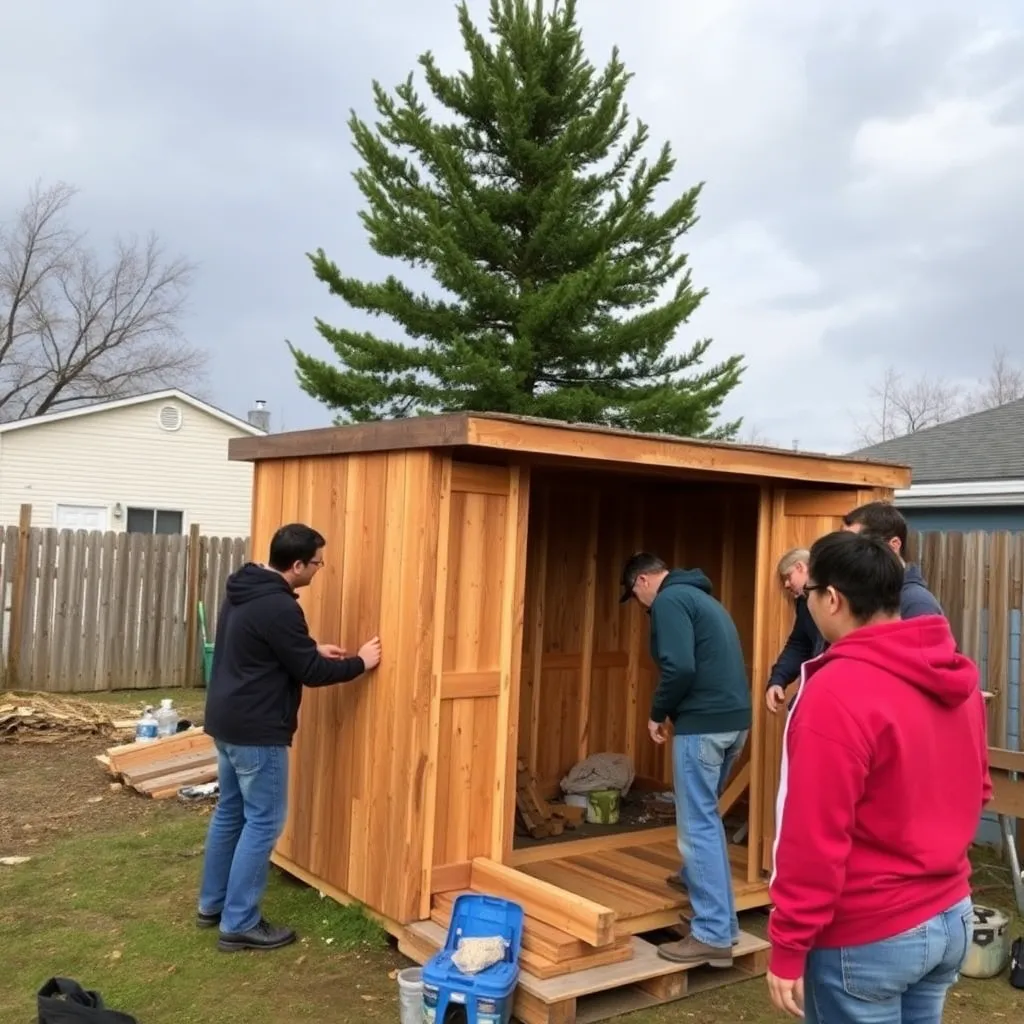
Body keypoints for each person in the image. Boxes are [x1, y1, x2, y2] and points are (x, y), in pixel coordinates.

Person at [766, 531, 990, 1022]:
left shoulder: (834, 692)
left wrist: (788, 943)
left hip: (868, 933)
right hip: (951, 913)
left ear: (831, 599)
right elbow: (979, 788)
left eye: (808, 595)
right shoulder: (959, 675)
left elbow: (813, 835)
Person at [197, 523, 382, 953]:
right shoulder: (279, 607)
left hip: (226, 721)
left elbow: (258, 645)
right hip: (258, 731)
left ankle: (213, 904)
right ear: (296, 565)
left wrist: (308, 646)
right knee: (263, 822)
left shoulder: (245, 588)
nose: (320, 569)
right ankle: (239, 922)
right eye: (317, 562)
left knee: (230, 813)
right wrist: (361, 662)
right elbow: (312, 675)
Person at [619, 552, 752, 969]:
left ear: (642, 581)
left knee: (696, 825)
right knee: (706, 820)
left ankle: (711, 932)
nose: (641, 606)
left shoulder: (670, 601)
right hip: (734, 722)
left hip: (703, 726)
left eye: (636, 596)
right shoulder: (703, 598)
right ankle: (722, 922)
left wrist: (658, 713)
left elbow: (679, 668)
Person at [841, 501, 944, 617]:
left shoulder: (917, 604)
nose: (847, 553)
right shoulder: (867, 596)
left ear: (894, 545)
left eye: (858, 546)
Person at [764, 548, 824, 714]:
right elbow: (799, 645)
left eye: (788, 577)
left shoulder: (832, 596)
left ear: (800, 567)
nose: (786, 584)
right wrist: (778, 680)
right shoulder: (804, 603)